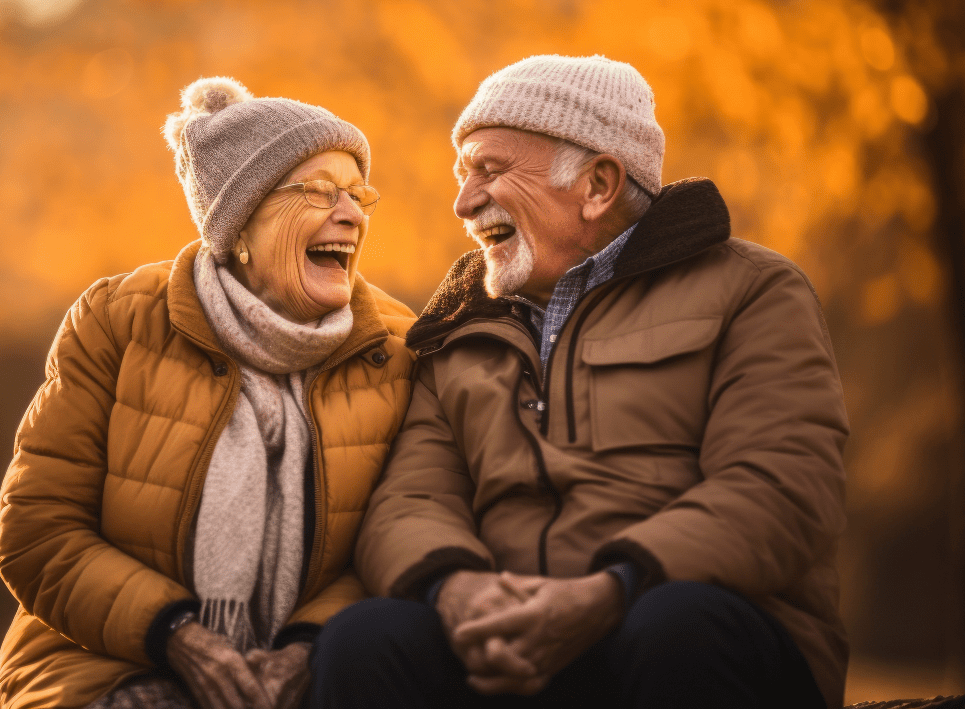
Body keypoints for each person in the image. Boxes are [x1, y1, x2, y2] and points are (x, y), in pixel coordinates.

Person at [310, 54, 849, 709]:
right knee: (366, 638)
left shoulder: (754, 288)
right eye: (463, 173)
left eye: (490, 170)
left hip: (682, 625)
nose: (463, 200)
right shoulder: (456, 327)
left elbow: (781, 485)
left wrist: (608, 591)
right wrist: (459, 590)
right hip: (509, 644)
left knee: (676, 625)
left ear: (597, 184)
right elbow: (410, 500)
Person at [0, 77, 416, 709]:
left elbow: (400, 537)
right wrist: (179, 638)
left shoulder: (399, 349)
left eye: (359, 194)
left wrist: (309, 649)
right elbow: (37, 532)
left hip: (318, 674)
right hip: (109, 665)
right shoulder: (120, 319)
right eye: (320, 191)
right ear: (239, 224)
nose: (352, 214)